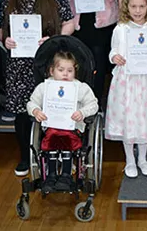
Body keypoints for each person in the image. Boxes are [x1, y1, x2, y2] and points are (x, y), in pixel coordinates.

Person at [0, 0, 75, 177]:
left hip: (49, 65)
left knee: (51, 109)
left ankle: (52, 154)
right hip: (18, 66)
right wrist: (5, 40)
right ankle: (25, 156)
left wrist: (55, 39)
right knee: (23, 114)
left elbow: (69, 22)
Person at [105, 0, 147, 177]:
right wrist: (115, 57)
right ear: (127, 7)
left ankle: (143, 158)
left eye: (142, 6)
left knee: (143, 119)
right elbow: (113, 51)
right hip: (127, 82)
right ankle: (130, 160)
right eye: (134, 6)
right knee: (129, 120)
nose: (138, 11)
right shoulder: (120, 29)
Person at [27, 51, 99, 193]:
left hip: (73, 127)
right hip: (51, 127)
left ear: (75, 72)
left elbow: (93, 104)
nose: (65, 74)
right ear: (52, 71)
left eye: (70, 71)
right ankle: (51, 175)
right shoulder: (44, 87)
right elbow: (31, 103)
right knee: (52, 138)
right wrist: (36, 111)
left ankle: (66, 175)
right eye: (61, 70)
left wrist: (82, 112)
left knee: (66, 139)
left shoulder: (80, 87)